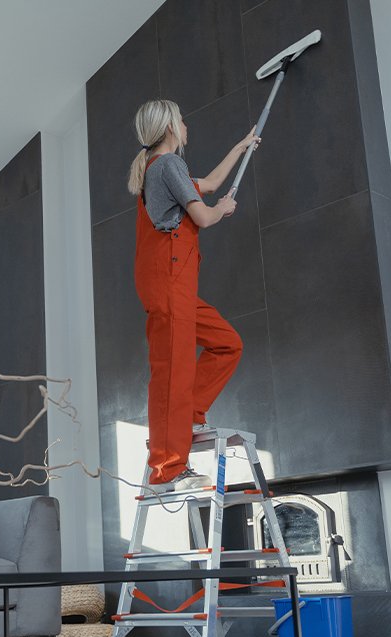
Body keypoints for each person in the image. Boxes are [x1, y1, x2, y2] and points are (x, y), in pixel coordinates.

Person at [128, 99, 261, 493]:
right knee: (171, 370)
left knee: (227, 344)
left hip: (177, 284)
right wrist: (220, 210)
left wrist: (241, 148)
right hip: (169, 280)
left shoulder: (166, 169)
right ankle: (167, 470)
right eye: (182, 120)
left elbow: (212, 184)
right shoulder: (167, 165)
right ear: (170, 125)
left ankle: (188, 415)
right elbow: (203, 214)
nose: (187, 126)